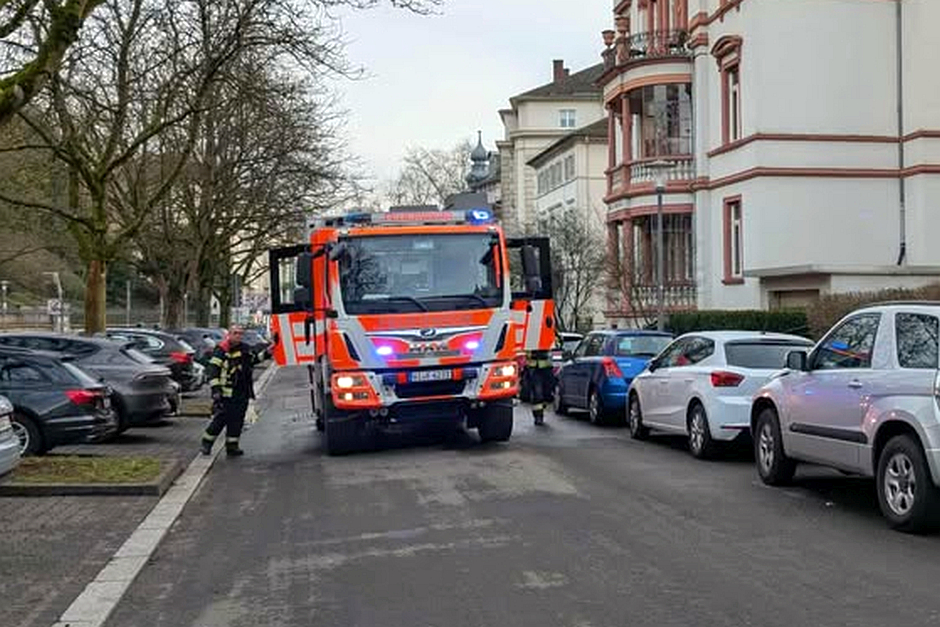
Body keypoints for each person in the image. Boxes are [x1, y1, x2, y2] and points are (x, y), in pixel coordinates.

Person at [200, 324, 276, 457]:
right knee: (220, 420)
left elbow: (253, 360)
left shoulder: (244, 349)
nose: (238, 336)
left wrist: (268, 352)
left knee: (237, 420)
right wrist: (216, 390)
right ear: (229, 334)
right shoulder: (222, 350)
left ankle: (232, 446)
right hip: (225, 393)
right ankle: (206, 444)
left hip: (242, 392)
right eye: (235, 333)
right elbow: (213, 370)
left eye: (240, 333)